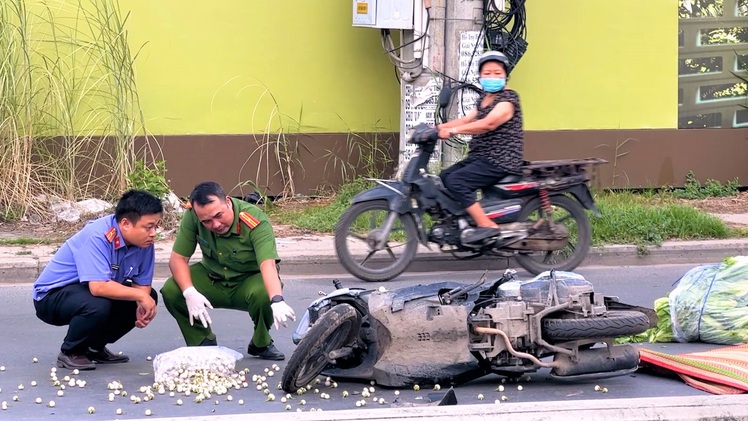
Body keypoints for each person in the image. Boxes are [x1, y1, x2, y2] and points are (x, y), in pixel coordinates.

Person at [160, 181, 295, 361]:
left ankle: (261, 342)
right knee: (172, 289)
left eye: (219, 215)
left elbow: (267, 264)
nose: (215, 224)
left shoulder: (255, 219)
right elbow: (178, 259)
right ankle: (202, 341)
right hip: (212, 278)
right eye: (206, 221)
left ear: (228, 202)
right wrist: (189, 292)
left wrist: (277, 300)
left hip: (248, 282)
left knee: (265, 293)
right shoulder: (192, 217)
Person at [32, 190, 162, 370]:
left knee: (149, 297)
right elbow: (98, 287)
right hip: (51, 297)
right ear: (125, 224)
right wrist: (140, 297)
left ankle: (94, 347)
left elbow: (143, 284)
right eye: (148, 227)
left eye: (156, 226)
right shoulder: (98, 235)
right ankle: (71, 352)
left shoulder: (145, 243)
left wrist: (142, 303)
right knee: (97, 303)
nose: (154, 233)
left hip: (87, 292)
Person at [437, 50, 524, 244]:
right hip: (481, 156)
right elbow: (470, 119)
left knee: (457, 182)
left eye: (497, 73)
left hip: (500, 160)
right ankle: (462, 222)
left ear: (505, 75)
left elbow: (488, 124)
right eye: (487, 73)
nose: (492, 77)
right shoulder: (484, 98)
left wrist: (453, 131)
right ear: (480, 76)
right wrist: (437, 128)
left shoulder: (508, 99)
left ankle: (485, 225)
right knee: (444, 177)